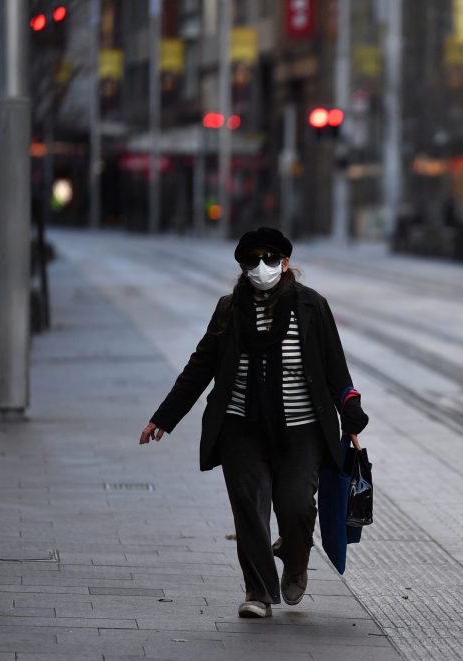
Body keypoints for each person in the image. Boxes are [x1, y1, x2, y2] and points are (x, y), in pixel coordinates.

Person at [139, 227, 368, 618]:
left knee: (297, 507)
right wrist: (165, 416)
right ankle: (258, 591)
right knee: (249, 508)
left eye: (270, 258)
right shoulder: (229, 310)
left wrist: (351, 418)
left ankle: (296, 560)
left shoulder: (312, 306)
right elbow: (201, 366)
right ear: (242, 267)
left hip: (302, 429)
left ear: (286, 262)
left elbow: (334, 369)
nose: (262, 267)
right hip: (241, 428)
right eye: (253, 260)